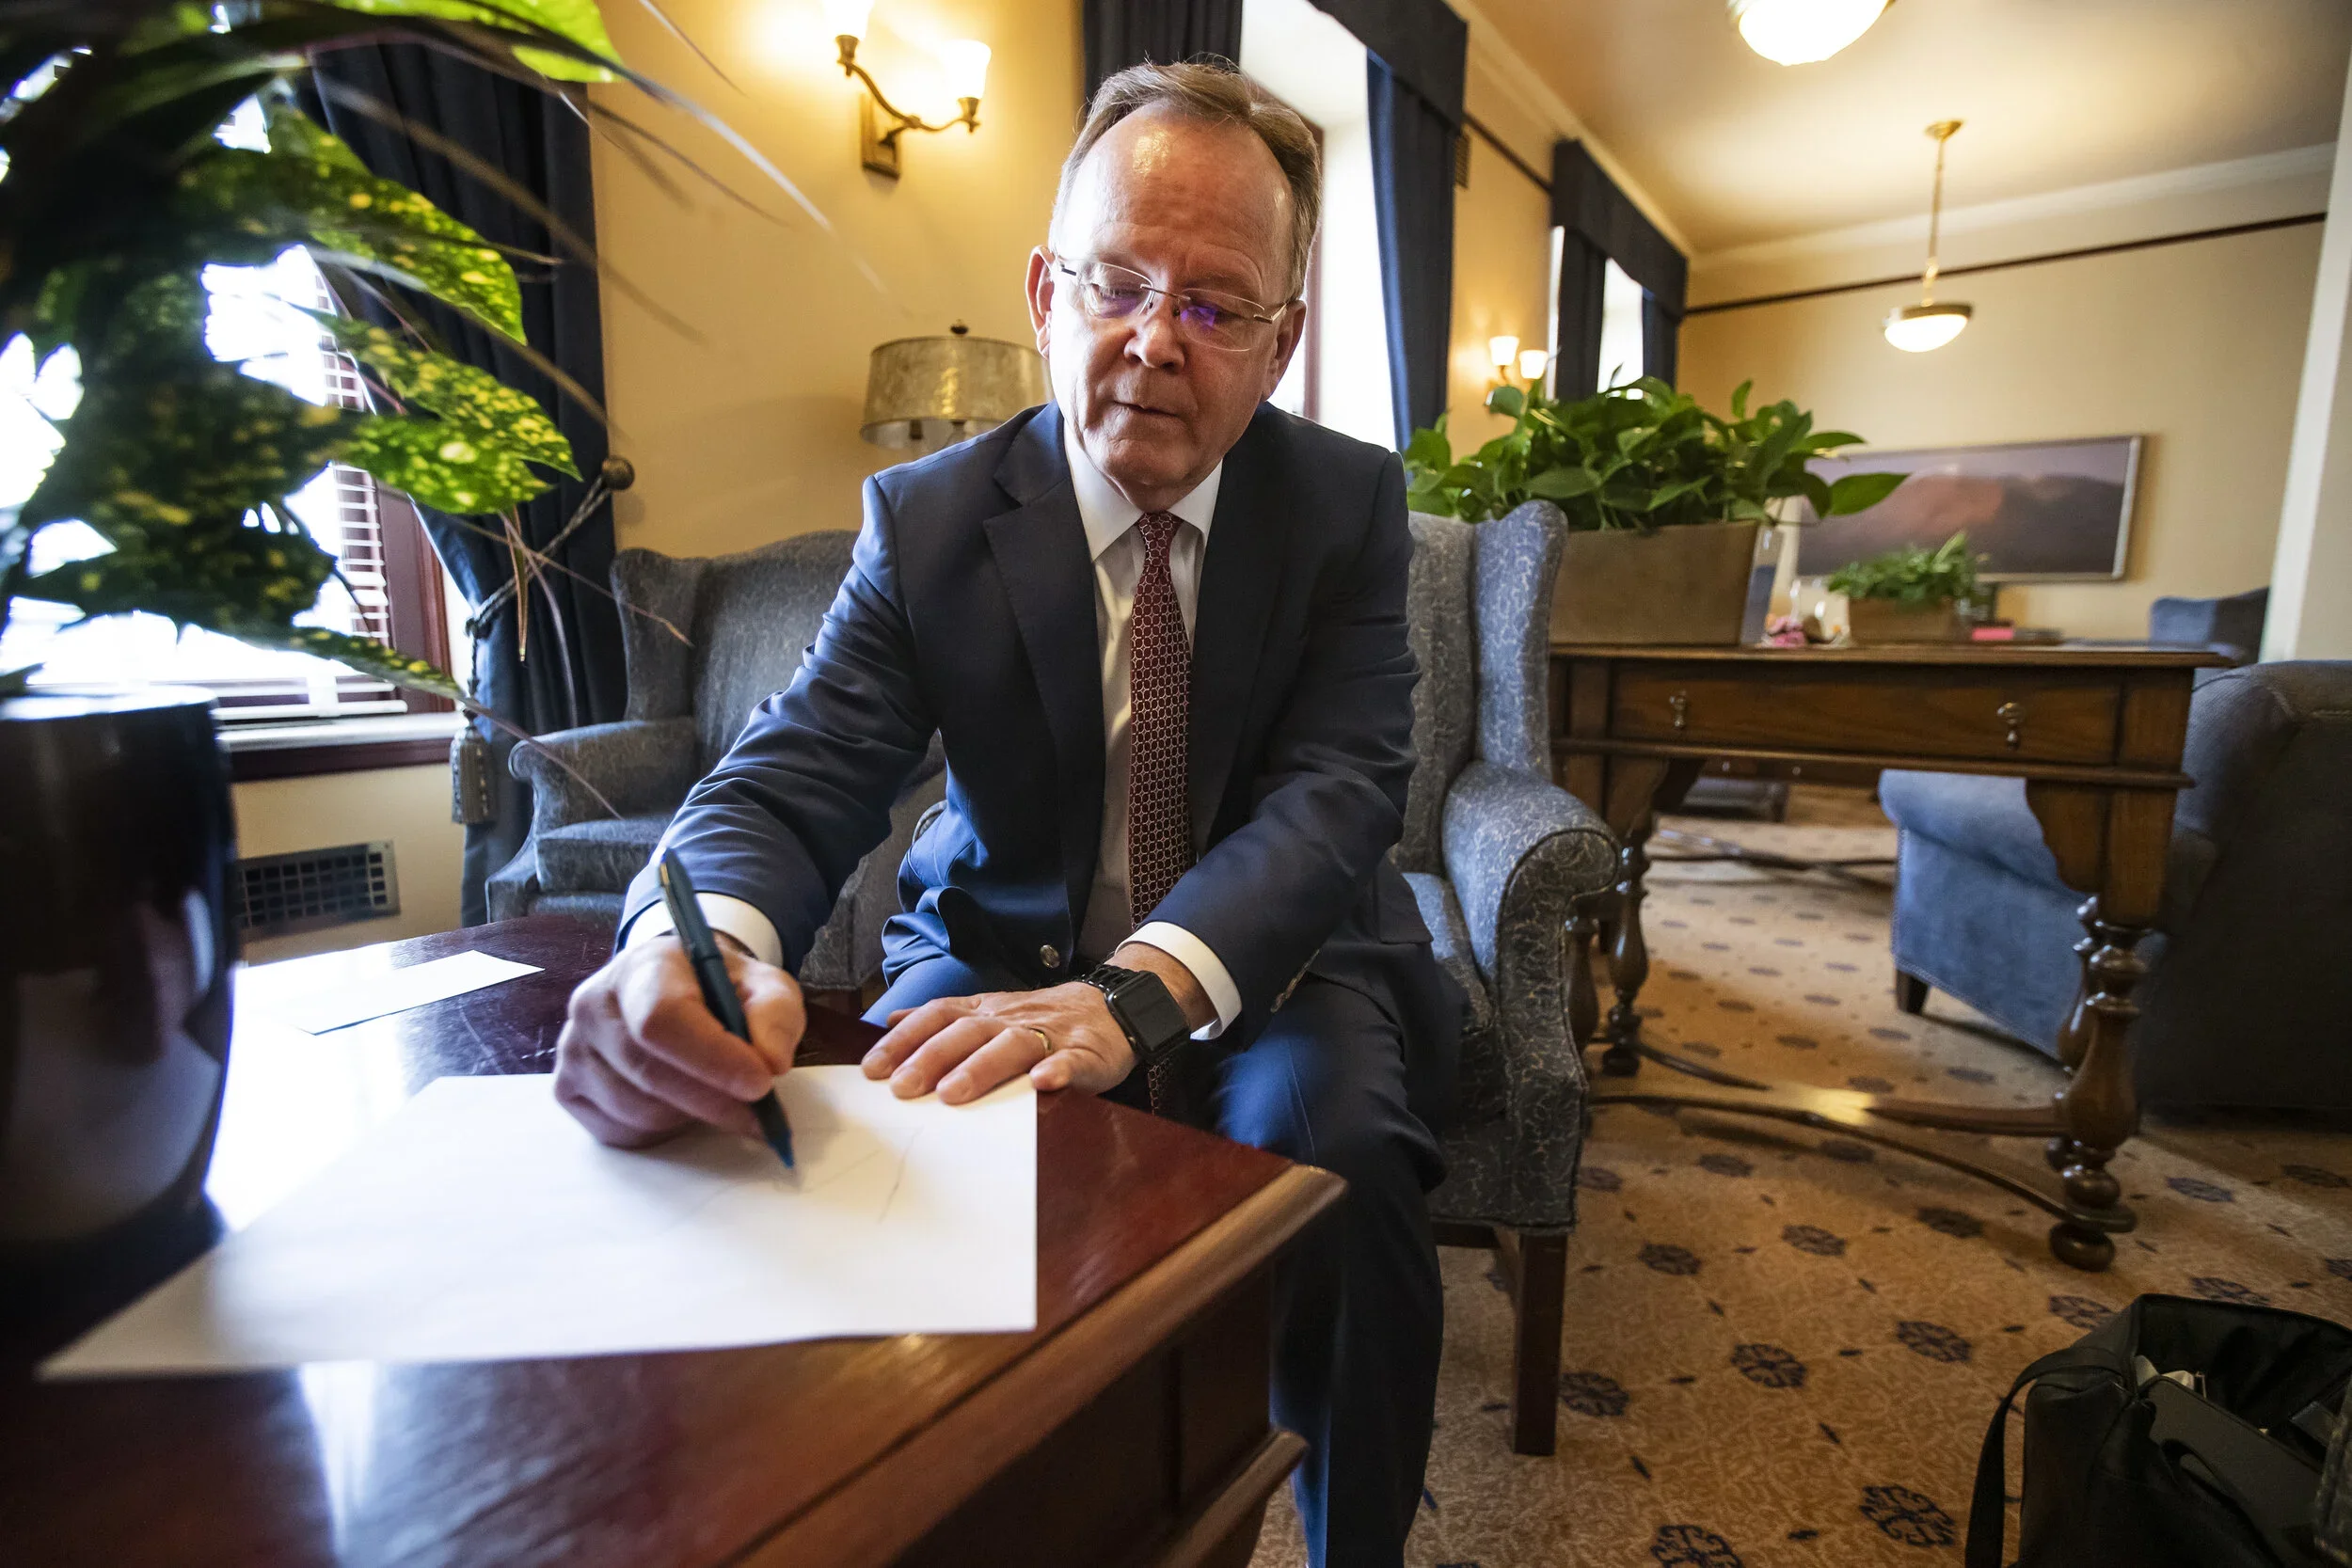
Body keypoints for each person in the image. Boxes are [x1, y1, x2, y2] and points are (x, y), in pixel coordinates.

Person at [551, 60, 1458, 1568]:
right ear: (1046, 291)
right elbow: (797, 772)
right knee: (894, 1173)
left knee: (1340, 1151)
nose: (1157, 343)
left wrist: (1134, 995)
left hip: (1278, 959)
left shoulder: (1347, 506)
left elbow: (1341, 791)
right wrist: (683, 942)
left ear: (1284, 345)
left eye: (1218, 306)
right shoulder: (931, 518)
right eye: (1118, 283)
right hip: (993, 945)